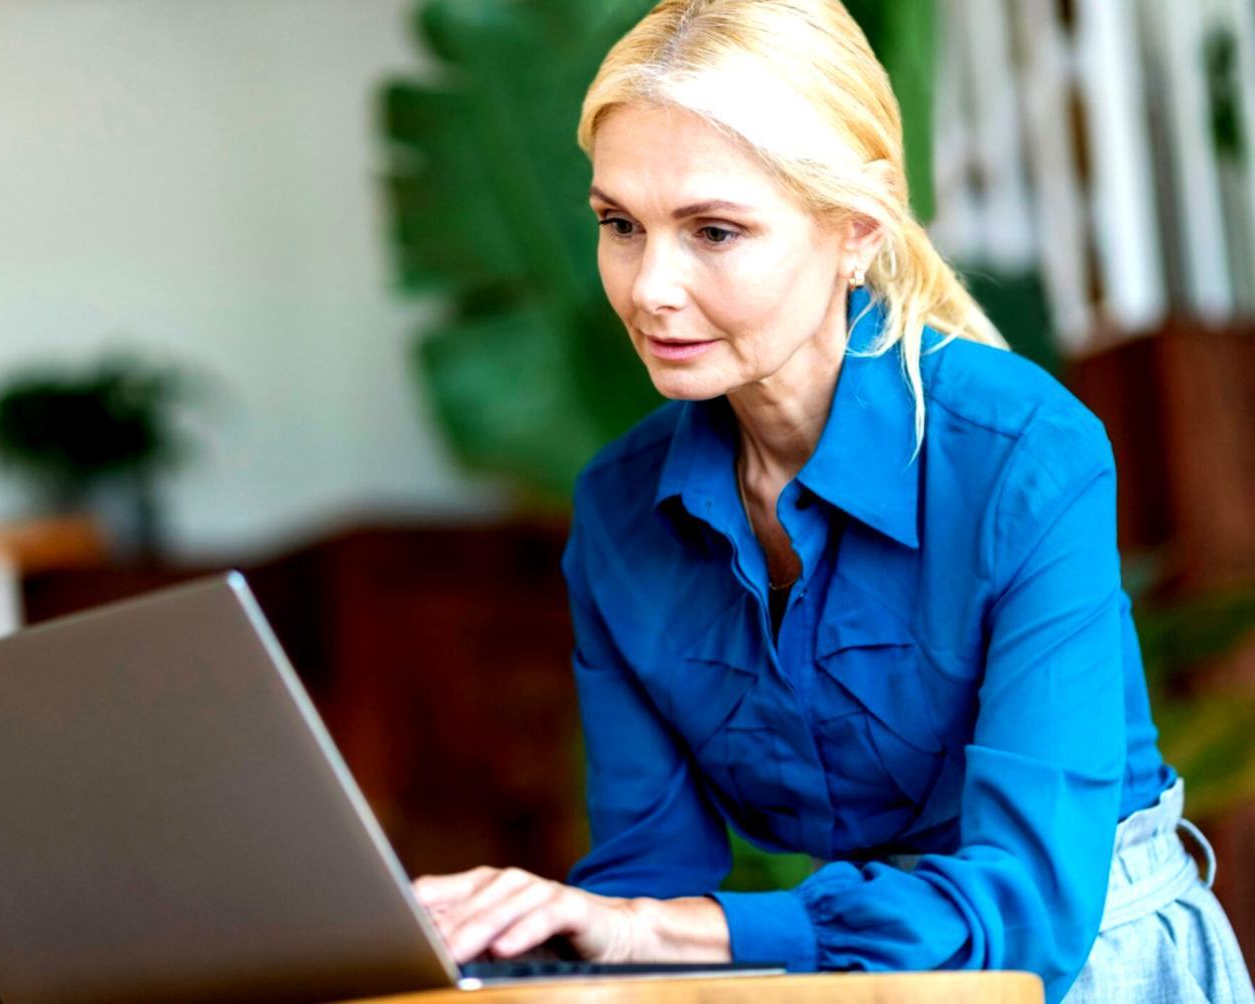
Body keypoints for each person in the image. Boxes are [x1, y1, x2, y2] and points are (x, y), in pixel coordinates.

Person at [412, 1, 1255, 1000]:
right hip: (836, 982)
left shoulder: (1025, 453)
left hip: (1088, 970)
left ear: (855, 229)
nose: (650, 288)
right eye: (620, 226)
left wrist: (662, 926)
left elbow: (1024, 908)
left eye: (714, 230)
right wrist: (509, 938)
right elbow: (643, 886)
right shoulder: (619, 510)